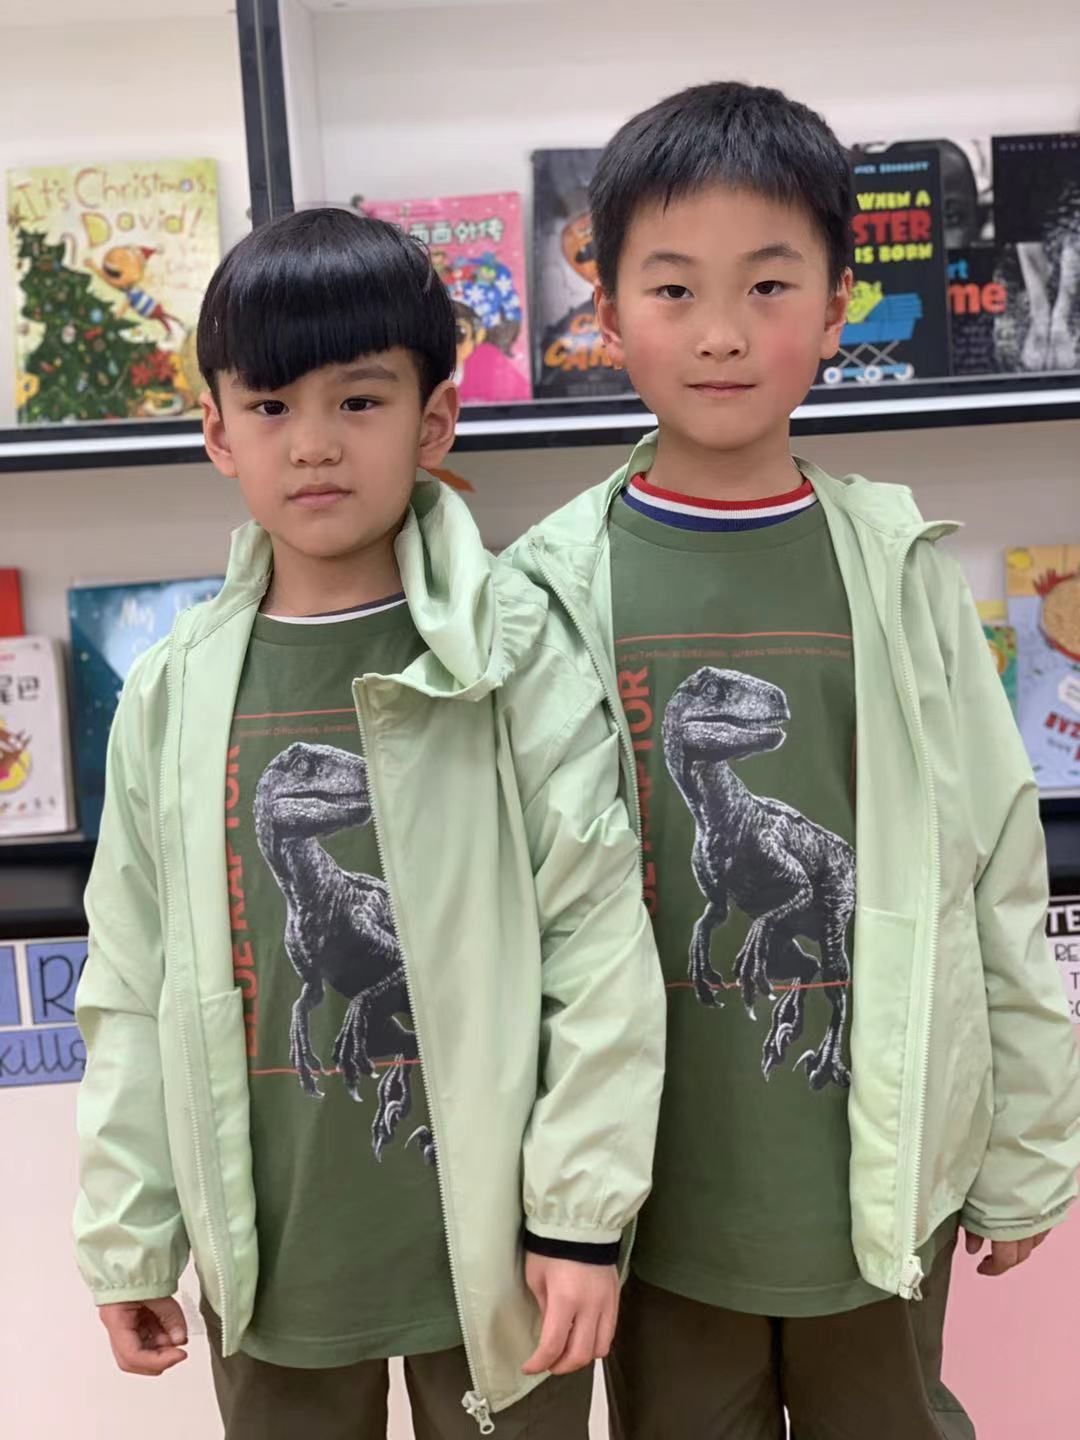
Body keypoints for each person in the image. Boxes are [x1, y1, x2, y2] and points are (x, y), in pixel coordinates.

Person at [510, 82, 1080, 1439]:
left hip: (877, 1176)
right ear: (607, 314)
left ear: (837, 310)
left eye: (769, 287)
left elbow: (995, 864)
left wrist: (1029, 1141)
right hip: (657, 1198)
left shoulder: (901, 568)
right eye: (674, 289)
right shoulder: (544, 590)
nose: (721, 332)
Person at [73, 208, 665, 1439]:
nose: (314, 443)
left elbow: (598, 942)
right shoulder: (172, 693)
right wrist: (130, 1236)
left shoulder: (517, 654)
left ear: (433, 421)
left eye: (359, 400)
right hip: (278, 1254)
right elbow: (131, 979)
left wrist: (577, 1220)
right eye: (271, 405)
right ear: (217, 431)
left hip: (504, 1264)